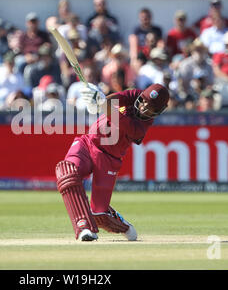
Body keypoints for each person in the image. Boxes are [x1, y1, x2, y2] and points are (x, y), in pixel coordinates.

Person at [55, 83, 169, 241]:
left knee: (99, 215)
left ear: (157, 112)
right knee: (68, 172)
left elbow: (117, 118)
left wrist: (102, 103)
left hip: (108, 159)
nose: (144, 107)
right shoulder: (135, 94)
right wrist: (96, 99)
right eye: (144, 102)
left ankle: (123, 226)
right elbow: (111, 101)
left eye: (150, 108)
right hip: (88, 144)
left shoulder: (141, 127)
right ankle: (84, 227)